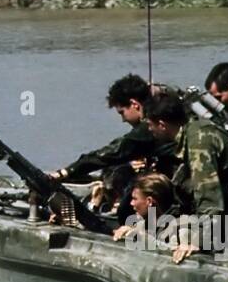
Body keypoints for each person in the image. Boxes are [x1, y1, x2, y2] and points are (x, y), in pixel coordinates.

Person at [145, 90, 228, 264]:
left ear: (162, 124)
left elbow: (209, 200)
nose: (149, 130)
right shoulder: (196, 130)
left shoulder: (199, 141)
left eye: (150, 125)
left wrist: (197, 241)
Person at [48, 74, 178, 218]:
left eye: (122, 112)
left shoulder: (148, 129)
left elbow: (111, 153)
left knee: (124, 210)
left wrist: (66, 172)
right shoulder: (168, 111)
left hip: (175, 187)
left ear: (135, 104)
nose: (123, 119)